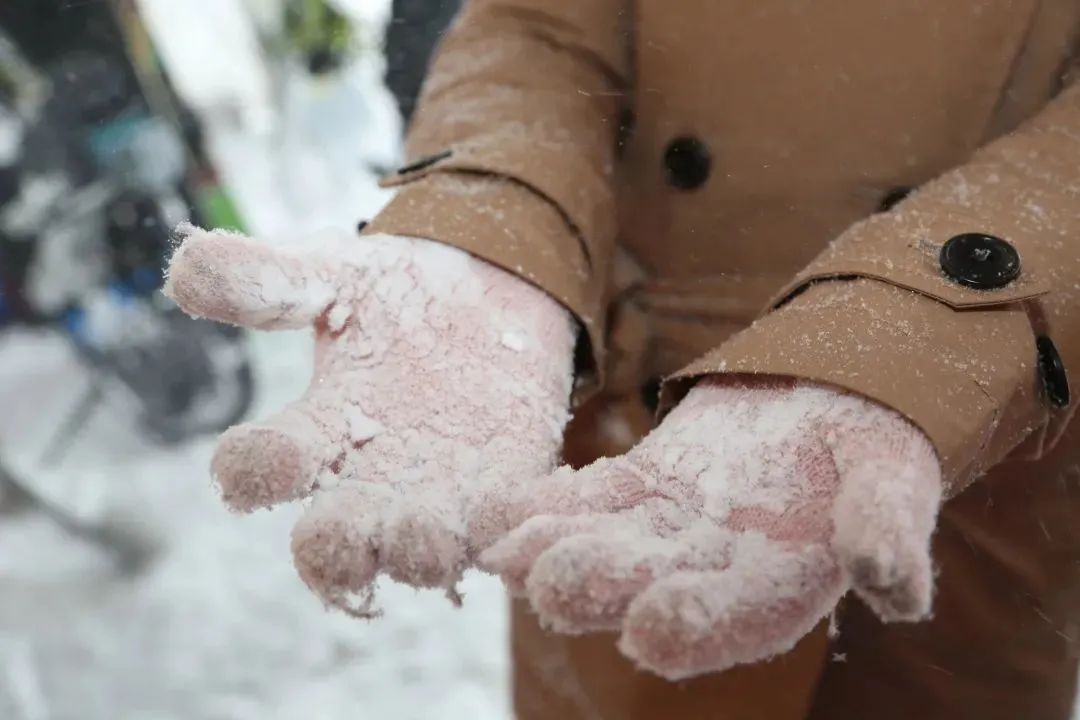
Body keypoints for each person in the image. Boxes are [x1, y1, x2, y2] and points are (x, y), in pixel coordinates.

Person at [163, 1, 1080, 718]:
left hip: (985, 448)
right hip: (634, 451)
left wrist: (924, 329)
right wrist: (494, 221)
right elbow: (540, 28)